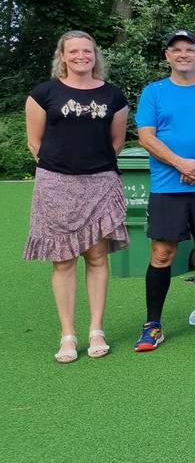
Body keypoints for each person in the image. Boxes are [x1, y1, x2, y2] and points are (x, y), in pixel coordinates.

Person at [24, 31, 129, 362]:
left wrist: (92, 168)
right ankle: (67, 334)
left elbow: (116, 141)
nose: (81, 56)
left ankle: (96, 329)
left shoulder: (113, 95)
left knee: (97, 257)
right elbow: (35, 142)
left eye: (87, 51)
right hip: (56, 184)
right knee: (64, 259)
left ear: (95, 55)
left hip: (100, 183)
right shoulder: (44, 93)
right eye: (74, 51)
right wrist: (61, 170)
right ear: (62, 55)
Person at [133, 30, 195, 351]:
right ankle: (153, 325)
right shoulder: (154, 92)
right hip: (168, 187)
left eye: (189, 49)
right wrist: (181, 164)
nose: (183, 55)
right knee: (162, 254)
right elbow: (146, 136)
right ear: (167, 56)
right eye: (176, 50)